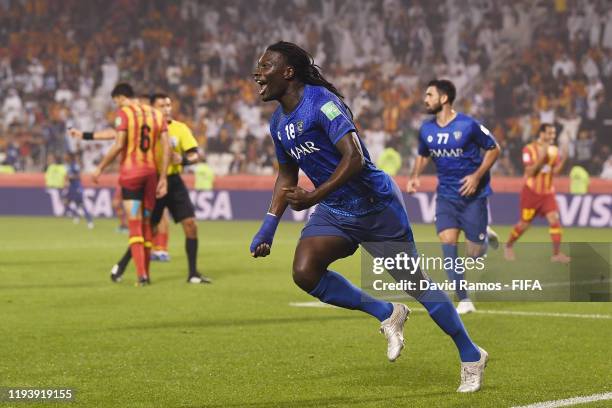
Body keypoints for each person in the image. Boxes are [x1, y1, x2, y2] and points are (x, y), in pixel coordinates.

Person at [250, 42, 487, 393]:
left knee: (417, 284)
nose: (258, 73)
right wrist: (268, 225)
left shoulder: (322, 104)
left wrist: (314, 195)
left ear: (288, 72)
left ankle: (471, 355)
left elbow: (355, 158)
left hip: (376, 207)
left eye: (265, 66)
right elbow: (286, 174)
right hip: (337, 211)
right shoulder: (278, 123)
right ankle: (388, 313)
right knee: (305, 272)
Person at [406, 79, 501, 315]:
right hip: (446, 195)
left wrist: (477, 176)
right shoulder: (426, 129)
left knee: (474, 252)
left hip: (473, 195)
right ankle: (464, 299)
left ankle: (485, 236)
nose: (425, 99)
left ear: (444, 98)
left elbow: (494, 148)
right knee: (448, 242)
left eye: (429, 95)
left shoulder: (468, 125)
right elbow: (422, 154)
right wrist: (415, 175)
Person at [70, 83, 170, 286]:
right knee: (147, 224)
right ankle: (147, 275)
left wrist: (99, 168)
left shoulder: (125, 113)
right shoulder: (156, 115)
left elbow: (118, 143)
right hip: (151, 174)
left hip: (132, 175)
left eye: (116, 102)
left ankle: (141, 275)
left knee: (134, 224)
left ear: (122, 98)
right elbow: (166, 148)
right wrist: (163, 178)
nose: (117, 106)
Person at [110, 93, 211, 284]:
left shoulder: (180, 129)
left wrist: (182, 159)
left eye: (168, 105)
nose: (167, 109)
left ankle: (193, 274)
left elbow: (195, 155)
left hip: (173, 181)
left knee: (191, 224)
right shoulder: (145, 128)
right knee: (148, 229)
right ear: (152, 108)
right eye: (162, 106)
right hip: (151, 182)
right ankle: (122, 265)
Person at [504, 124, 571, 263]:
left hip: (548, 193)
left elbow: (554, 172)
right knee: (524, 224)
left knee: (554, 220)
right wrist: (543, 155)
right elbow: (530, 172)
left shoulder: (554, 150)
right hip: (531, 193)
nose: (552, 136)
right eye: (549, 133)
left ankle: (556, 254)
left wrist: (564, 157)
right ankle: (508, 245)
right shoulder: (528, 149)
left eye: (553, 134)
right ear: (541, 134)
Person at [63, 152, 94, 229]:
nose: (64, 157)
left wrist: (70, 177)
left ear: (69, 157)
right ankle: (76, 215)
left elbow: (78, 176)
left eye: (66, 156)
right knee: (66, 202)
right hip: (71, 187)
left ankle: (89, 221)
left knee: (81, 204)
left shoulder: (75, 165)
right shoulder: (68, 165)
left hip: (77, 187)